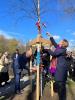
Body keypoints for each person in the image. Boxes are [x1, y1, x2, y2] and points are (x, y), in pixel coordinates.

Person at [46, 32, 69, 100]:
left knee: (61, 89)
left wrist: (47, 49)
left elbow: (53, 54)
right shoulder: (60, 48)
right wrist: (51, 36)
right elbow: (55, 44)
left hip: (61, 72)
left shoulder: (62, 50)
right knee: (61, 89)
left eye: (61, 41)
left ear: (63, 43)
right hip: (60, 71)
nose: (59, 42)